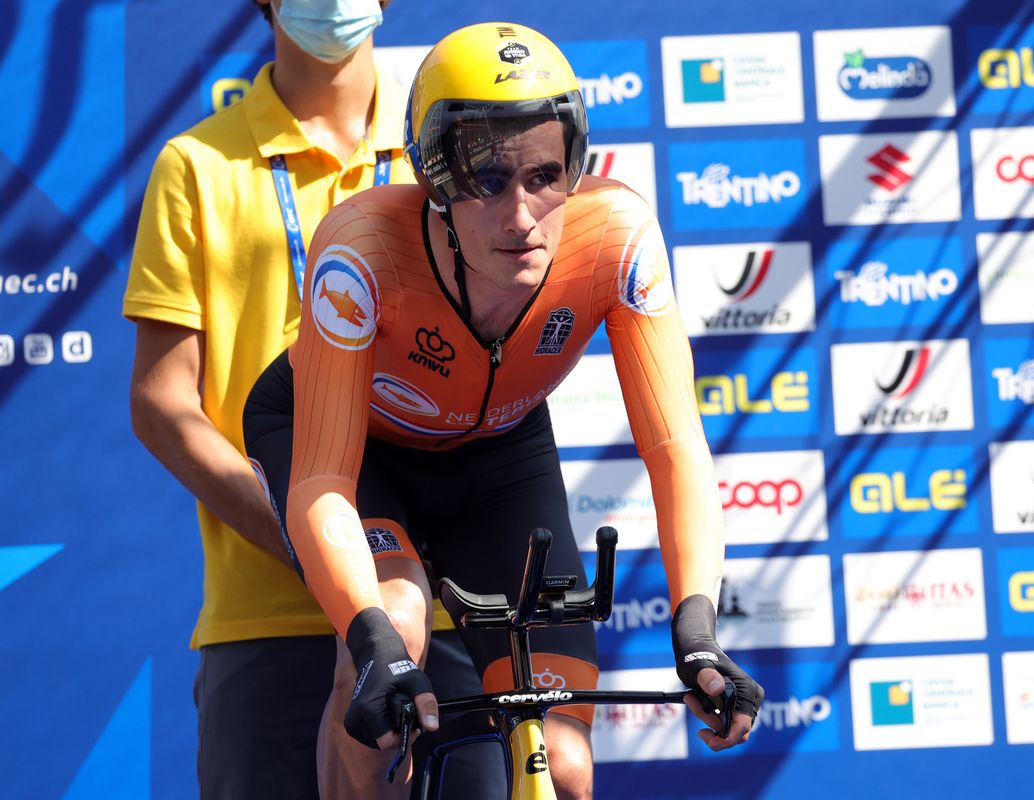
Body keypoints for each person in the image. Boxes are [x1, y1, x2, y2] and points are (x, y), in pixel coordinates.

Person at [243, 20, 765, 798]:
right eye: (486, 179)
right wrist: (375, 644)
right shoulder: (361, 249)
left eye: (546, 175)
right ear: (432, 177)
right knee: (390, 643)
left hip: (497, 450)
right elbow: (322, 478)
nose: (521, 216)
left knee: (567, 762)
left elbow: (675, 447)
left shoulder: (616, 236)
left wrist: (697, 636)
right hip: (358, 453)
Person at [124, 2, 500, 797]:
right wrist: (306, 544)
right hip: (271, 610)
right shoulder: (196, 163)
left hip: (440, 603)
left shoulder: (453, 147)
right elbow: (162, 403)